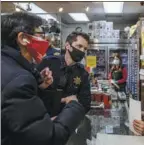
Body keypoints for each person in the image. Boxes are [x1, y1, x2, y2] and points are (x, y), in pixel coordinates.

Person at [1, 12, 85, 145]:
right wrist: (74, 105)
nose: (47, 41)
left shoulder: (7, 64)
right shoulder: (19, 79)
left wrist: (40, 87)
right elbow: (48, 139)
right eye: (41, 34)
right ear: (23, 38)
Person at [37, 31, 91, 117]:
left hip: (66, 122)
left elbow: (86, 104)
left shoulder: (83, 73)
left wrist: (75, 102)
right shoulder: (48, 63)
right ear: (67, 45)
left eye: (85, 49)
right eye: (79, 46)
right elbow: (31, 92)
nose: (82, 51)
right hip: (42, 120)